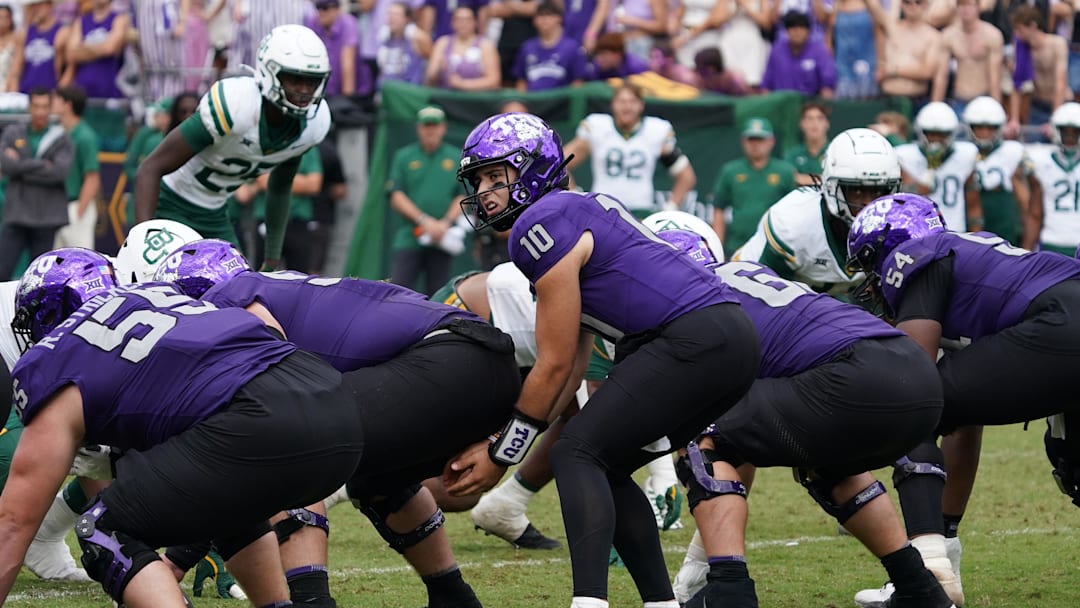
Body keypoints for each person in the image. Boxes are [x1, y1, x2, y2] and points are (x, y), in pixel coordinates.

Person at [449, 111, 761, 608]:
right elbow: (571, 364)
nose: (484, 191)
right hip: (728, 337)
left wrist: (499, 456)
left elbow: (550, 365)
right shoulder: (578, 209)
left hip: (690, 337)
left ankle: (589, 602)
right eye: (478, 180)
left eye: (495, 175)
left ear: (532, 170)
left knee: (575, 451)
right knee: (604, 460)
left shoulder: (539, 222)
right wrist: (501, 451)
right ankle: (660, 603)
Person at [159, 239, 521, 608]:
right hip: (486, 367)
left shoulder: (230, 295)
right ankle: (452, 597)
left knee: (285, 443)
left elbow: (276, 372)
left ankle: (312, 602)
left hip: (446, 361)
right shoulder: (280, 285)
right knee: (378, 479)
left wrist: (177, 559)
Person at [0, 248, 365, 607]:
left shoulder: (55, 358)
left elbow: (15, 522)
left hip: (255, 418)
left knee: (100, 527)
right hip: (335, 402)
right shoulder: (158, 295)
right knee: (228, 501)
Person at [651, 225, 953, 608]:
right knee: (824, 458)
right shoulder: (751, 275)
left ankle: (730, 591)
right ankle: (918, 588)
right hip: (915, 372)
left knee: (701, 432)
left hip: (855, 374)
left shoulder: (697, 301)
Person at [847, 193, 1080, 608]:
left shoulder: (918, 255)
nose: (871, 279)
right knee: (1073, 461)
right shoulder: (970, 252)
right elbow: (965, 410)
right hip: (1063, 312)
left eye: (870, 263)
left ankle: (928, 571)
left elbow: (915, 383)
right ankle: (944, 553)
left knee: (911, 406)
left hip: (1058, 324)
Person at [133, 24, 332, 271]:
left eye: (311, 81)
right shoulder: (237, 106)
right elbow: (150, 168)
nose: (304, 90)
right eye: (295, 78)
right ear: (270, 73)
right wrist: (140, 243)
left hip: (215, 215)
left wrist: (271, 259)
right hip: (169, 205)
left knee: (239, 296)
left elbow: (280, 188)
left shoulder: (313, 125)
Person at [733, 127, 901, 297]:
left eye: (879, 192)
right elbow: (754, 295)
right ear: (830, 187)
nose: (868, 203)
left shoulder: (900, 228)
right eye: (857, 191)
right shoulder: (793, 223)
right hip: (762, 293)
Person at [563, 83, 696, 219]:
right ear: (613, 104)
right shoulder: (598, 127)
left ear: (641, 105)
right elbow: (561, 163)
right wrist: (575, 196)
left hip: (641, 212)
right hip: (603, 210)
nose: (627, 107)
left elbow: (686, 176)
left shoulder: (655, 131)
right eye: (622, 101)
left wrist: (670, 208)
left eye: (632, 101)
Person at [387, 105, 466, 296]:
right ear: (418, 128)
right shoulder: (403, 156)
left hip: (442, 238)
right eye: (426, 125)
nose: (430, 130)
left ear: (443, 128)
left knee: (439, 294)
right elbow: (396, 195)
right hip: (410, 236)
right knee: (398, 291)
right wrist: (423, 220)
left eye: (435, 125)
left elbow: (462, 195)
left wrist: (444, 223)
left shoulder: (455, 157)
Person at [0, 87, 74, 281]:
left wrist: (21, 167)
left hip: (45, 218)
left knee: (39, 281)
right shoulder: (13, 131)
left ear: (50, 108)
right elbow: (7, 166)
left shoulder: (61, 137)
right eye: (36, 106)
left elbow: (59, 172)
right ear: (29, 107)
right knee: (2, 271)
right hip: (16, 215)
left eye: (44, 107)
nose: (40, 112)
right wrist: (42, 166)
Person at [711, 117, 798, 257]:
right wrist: (716, 248)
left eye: (760, 139)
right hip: (737, 246)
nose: (755, 144)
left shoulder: (785, 171)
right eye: (751, 139)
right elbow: (719, 209)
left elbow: (794, 213)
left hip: (773, 249)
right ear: (743, 141)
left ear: (771, 141)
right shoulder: (730, 170)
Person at [895, 102, 983, 233]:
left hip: (954, 231)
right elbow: (918, 192)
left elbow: (973, 204)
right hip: (918, 233)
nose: (935, 139)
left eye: (942, 134)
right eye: (930, 133)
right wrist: (931, 166)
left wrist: (977, 238)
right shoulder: (905, 156)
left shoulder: (966, 154)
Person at [963, 96, 1028, 247]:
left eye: (990, 127)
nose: (984, 132)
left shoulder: (1012, 151)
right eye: (978, 127)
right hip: (969, 216)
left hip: (1003, 220)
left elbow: (1024, 199)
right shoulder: (962, 152)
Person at [1024, 101, 1080, 256]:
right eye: (1065, 131)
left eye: (1075, 132)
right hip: (1052, 241)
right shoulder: (1042, 161)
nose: (1069, 137)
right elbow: (1035, 213)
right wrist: (1026, 252)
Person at [932, 0, 1003, 115]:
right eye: (961, 5)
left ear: (978, 7)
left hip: (983, 100)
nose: (965, 10)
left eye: (970, 5)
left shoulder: (992, 35)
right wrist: (935, 108)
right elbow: (941, 76)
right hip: (959, 99)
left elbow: (995, 78)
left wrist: (996, 109)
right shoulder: (949, 35)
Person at [52, 85, 101, 251]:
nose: (52, 103)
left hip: (76, 206)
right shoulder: (59, 133)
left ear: (68, 104)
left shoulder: (85, 136)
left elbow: (92, 177)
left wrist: (78, 213)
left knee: (80, 263)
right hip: (57, 207)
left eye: (56, 99)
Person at [60, 0, 129, 100]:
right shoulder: (81, 21)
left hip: (109, 93)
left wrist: (82, 47)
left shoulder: (119, 19)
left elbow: (109, 48)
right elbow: (71, 54)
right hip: (81, 94)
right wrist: (101, 48)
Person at [759, 11, 836, 98]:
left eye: (802, 27)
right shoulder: (777, 50)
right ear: (786, 31)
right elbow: (766, 86)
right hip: (781, 105)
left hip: (810, 106)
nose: (797, 31)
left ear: (809, 32)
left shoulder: (819, 51)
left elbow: (827, 87)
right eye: (793, 27)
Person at [513, 1, 587, 91]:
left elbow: (578, 82)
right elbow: (521, 82)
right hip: (533, 101)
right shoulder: (527, 48)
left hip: (562, 101)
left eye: (549, 15)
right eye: (540, 15)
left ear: (559, 18)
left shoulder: (572, 48)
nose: (544, 20)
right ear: (534, 20)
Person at [8, 0, 70, 93]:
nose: (36, 9)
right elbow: (16, 67)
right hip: (26, 91)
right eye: (33, 5)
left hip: (50, 92)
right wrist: (13, 92)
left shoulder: (62, 32)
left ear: (49, 5)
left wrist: (59, 92)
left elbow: (69, 68)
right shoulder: (25, 33)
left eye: (39, 5)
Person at [784, 99, 831, 186]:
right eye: (809, 118)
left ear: (827, 123)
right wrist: (824, 179)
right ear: (801, 124)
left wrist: (802, 178)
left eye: (819, 118)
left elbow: (836, 181)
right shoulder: (792, 154)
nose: (814, 123)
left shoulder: (835, 152)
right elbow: (789, 179)